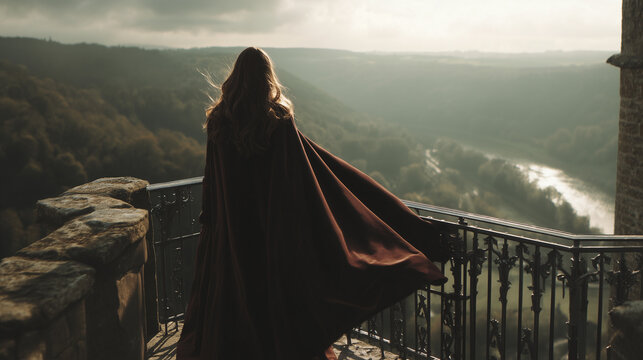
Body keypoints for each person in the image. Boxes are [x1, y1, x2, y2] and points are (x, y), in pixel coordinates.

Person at [176, 47, 451, 360]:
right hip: (271, 232)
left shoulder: (218, 123)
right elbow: (301, 179)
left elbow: (211, 180)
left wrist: (212, 224)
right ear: (268, 79)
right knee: (272, 304)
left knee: (236, 301)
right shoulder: (277, 122)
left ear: (234, 77)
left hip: (230, 232)